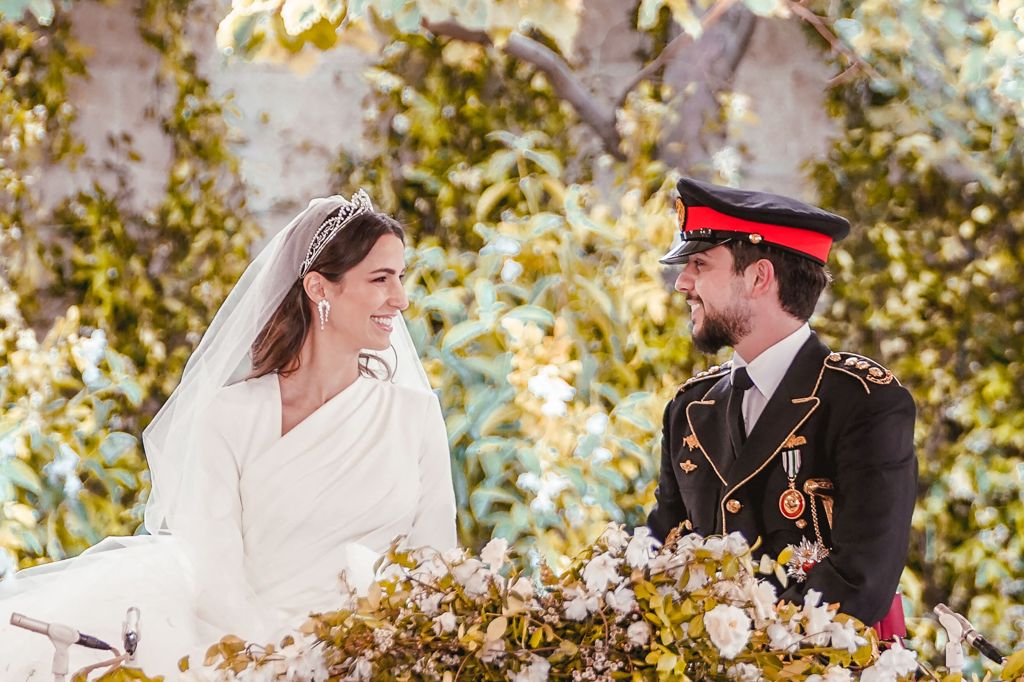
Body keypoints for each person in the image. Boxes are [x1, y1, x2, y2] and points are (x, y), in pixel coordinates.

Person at [0, 191, 458, 677]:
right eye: (381, 279)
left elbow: (436, 566)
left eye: (401, 278)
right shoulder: (231, 416)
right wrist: (282, 664)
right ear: (320, 288)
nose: (401, 299)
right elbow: (216, 580)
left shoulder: (416, 415)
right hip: (249, 655)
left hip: (384, 659)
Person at [646, 177, 917, 629]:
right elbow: (660, 549)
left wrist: (734, 644)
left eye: (698, 263)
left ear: (759, 277)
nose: (683, 284)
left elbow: (859, 583)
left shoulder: (864, 402)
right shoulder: (689, 408)